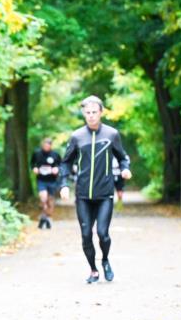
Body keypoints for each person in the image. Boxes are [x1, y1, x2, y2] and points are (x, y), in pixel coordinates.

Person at [59, 96, 132, 284]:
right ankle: (93, 269)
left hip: (104, 194)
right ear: (84, 113)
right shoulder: (77, 136)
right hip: (83, 195)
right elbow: (65, 163)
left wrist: (125, 168)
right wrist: (64, 184)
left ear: (101, 112)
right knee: (85, 234)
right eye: (87, 112)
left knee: (102, 233)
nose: (91, 116)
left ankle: (105, 259)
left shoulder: (111, 134)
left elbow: (122, 157)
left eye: (94, 112)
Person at [31, 137, 62, 229]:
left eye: (48, 145)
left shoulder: (55, 154)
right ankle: (44, 216)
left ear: (51, 146)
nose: (46, 146)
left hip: (52, 180)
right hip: (41, 180)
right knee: (43, 198)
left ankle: (47, 217)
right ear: (42, 145)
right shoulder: (37, 153)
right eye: (45, 144)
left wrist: (57, 169)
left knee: (50, 200)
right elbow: (32, 163)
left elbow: (61, 165)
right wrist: (34, 168)